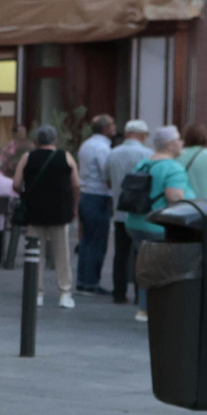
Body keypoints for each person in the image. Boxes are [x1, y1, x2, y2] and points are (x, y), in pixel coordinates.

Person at [124, 125, 189, 323]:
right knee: (166, 270)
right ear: (170, 145)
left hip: (135, 222)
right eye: (178, 139)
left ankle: (144, 308)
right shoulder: (173, 167)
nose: (182, 143)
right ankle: (161, 308)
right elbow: (174, 196)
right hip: (159, 224)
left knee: (146, 266)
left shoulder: (144, 164)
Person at [12, 126, 81, 307]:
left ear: (37, 141)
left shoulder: (28, 157)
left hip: (35, 211)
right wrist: (74, 207)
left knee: (35, 253)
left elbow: (16, 184)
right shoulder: (65, 156)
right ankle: (65, 292)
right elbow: (76, 185)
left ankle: (37, 292)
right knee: (62, 254)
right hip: (60, 211)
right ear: (55, 140)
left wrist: (26, 194)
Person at [105, 119, 153, 304]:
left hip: (120, 210)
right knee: (140, 253)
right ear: (141, 135)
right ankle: (139, 295)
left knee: (120, 254)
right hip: (141, 213)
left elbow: (107, 180)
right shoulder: (148, 154)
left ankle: (119, 293)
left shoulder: (113, 153)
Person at [75, 114, 116, 293]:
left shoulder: (87, 144)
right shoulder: (102, 147)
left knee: (86, 241)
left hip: (86, 194)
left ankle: (83, 280)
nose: (115, 128)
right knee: (97, 241)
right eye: (112, 125)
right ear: (105, 128)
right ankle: (91, 282)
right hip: (98, 196)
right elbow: (106, 174)